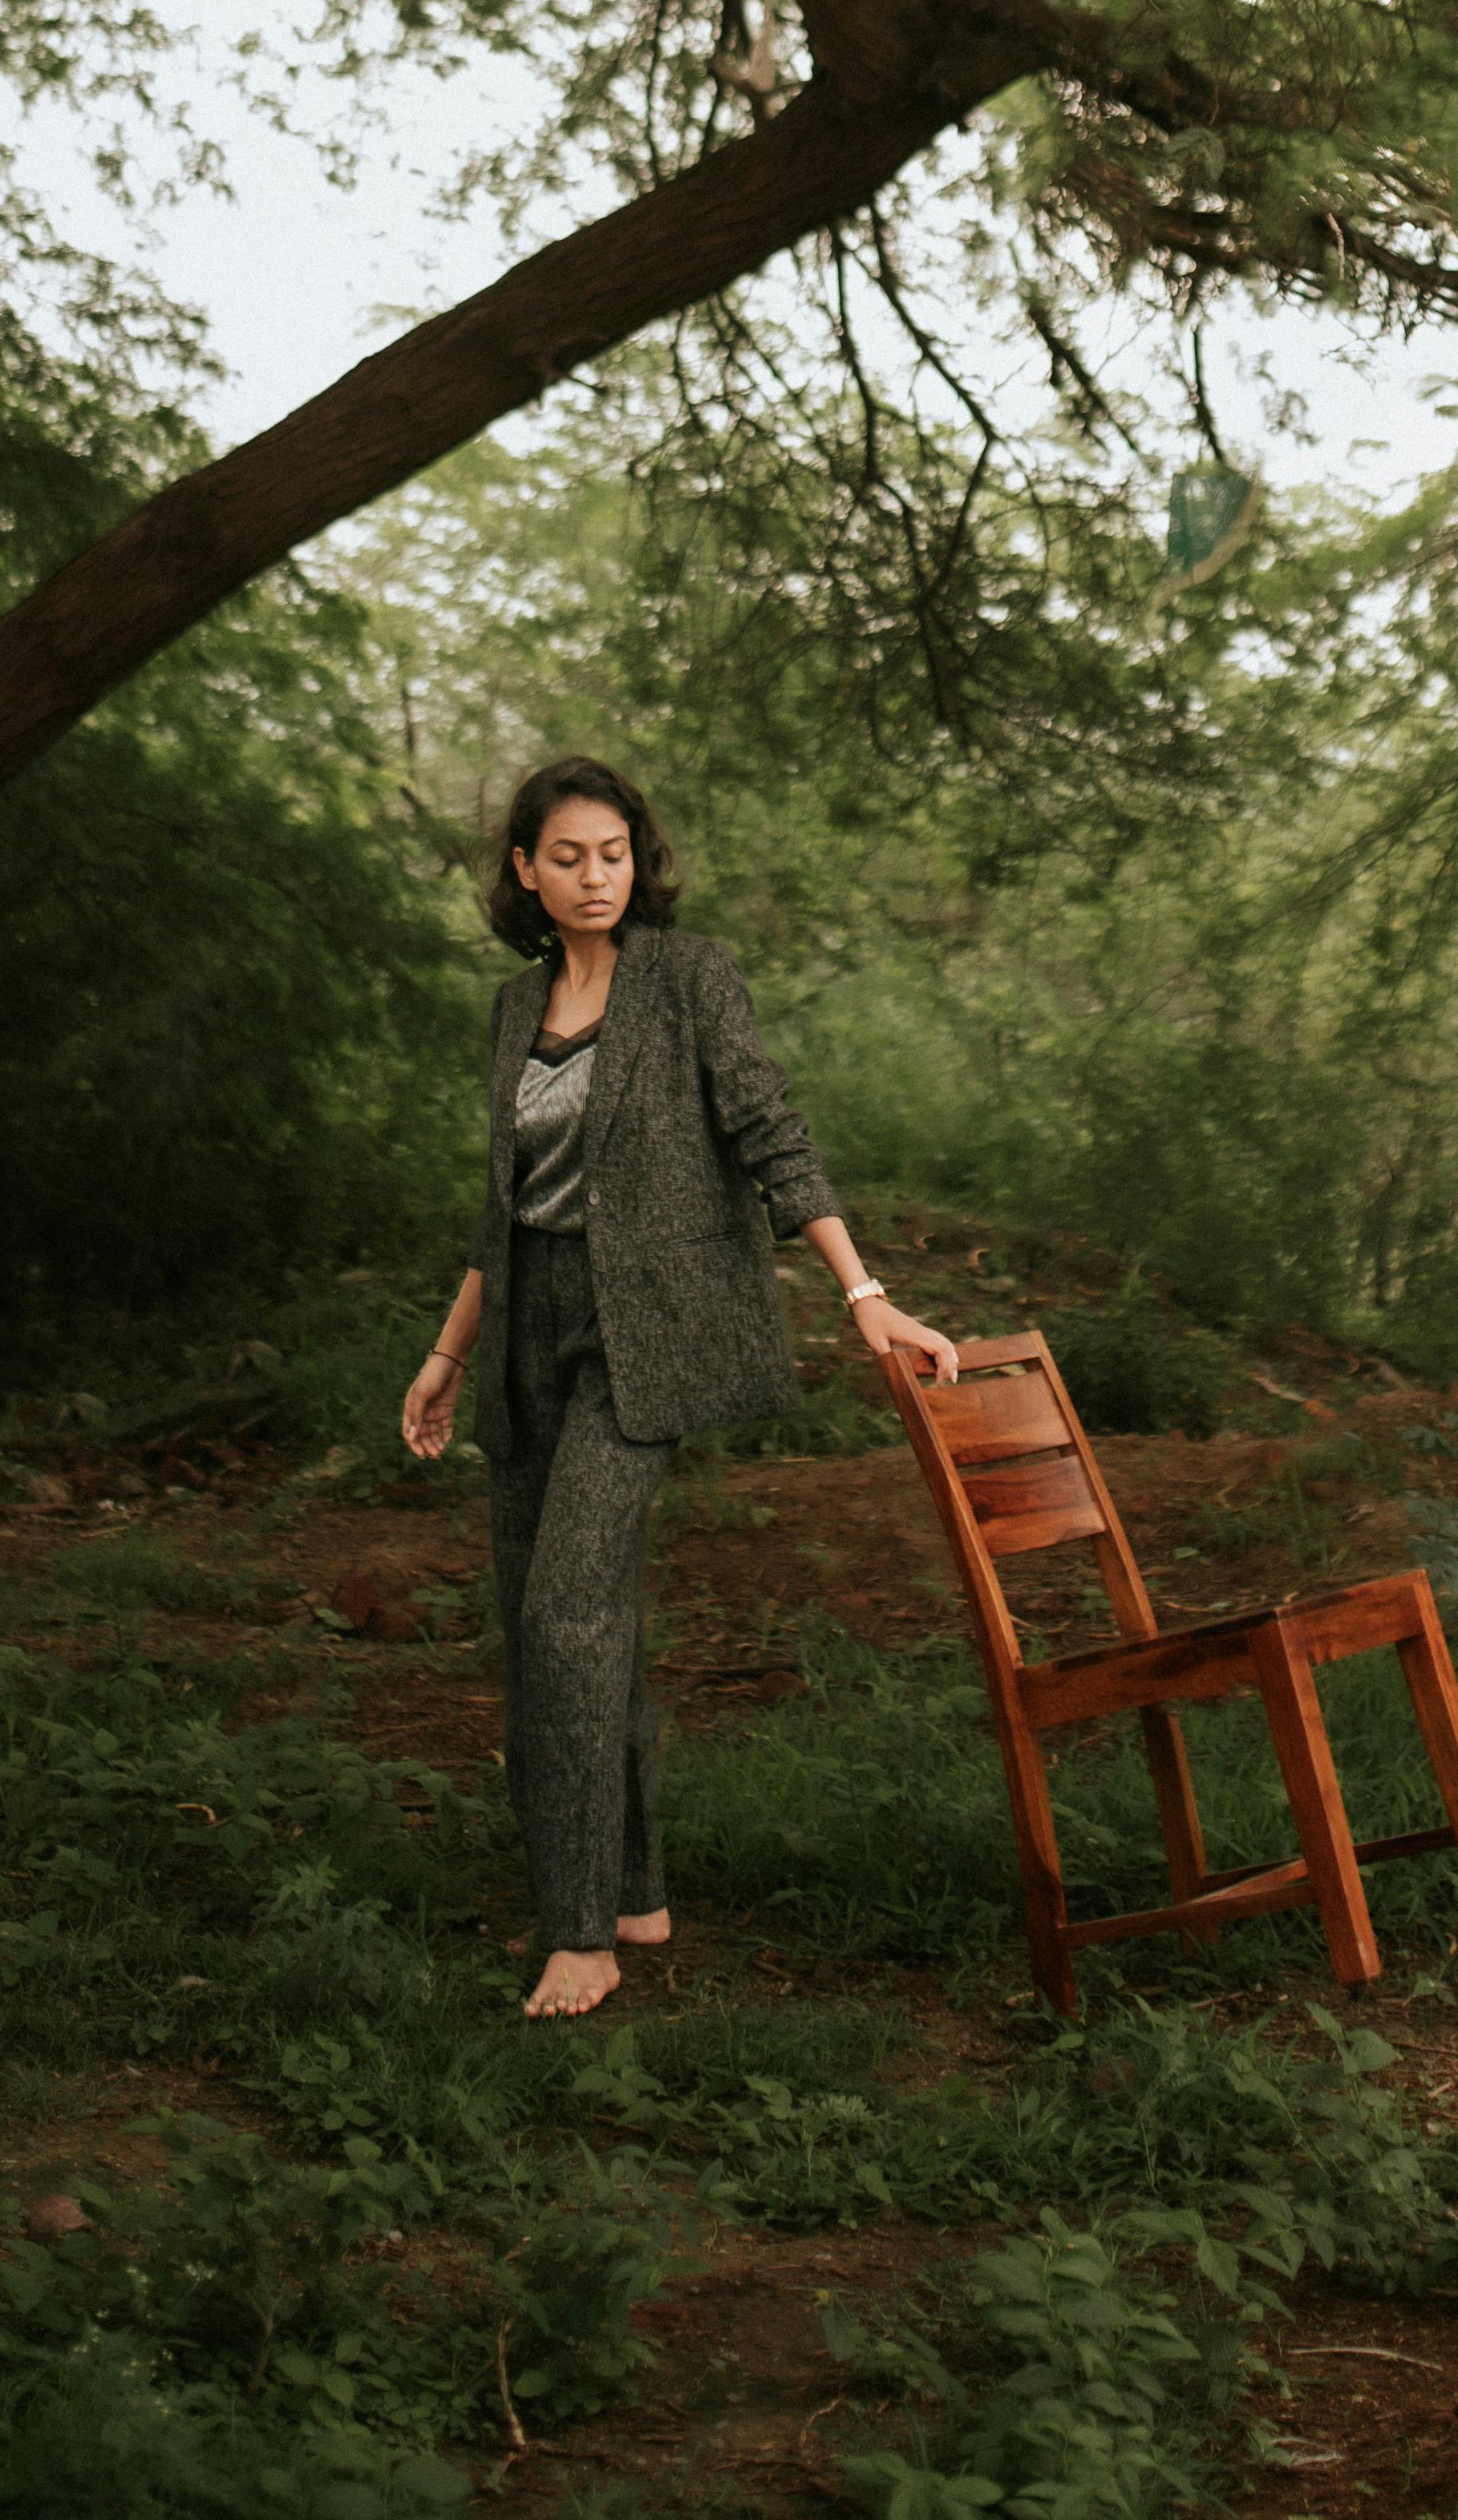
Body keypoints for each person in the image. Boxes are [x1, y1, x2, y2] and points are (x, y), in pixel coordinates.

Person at [401, 756, 958, 2018]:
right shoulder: (513, 1008)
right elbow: (502, 1213)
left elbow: (771, 1133)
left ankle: (579, 1931)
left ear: (634, 860)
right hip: (522, 1329)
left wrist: (861, 1295)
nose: (596, 877)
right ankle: (635, 1886)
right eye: (568, 857)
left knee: (566, 1617)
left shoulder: (688, 977)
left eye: (614, 853)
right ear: (523, 872)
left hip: (646, 1333)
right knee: (569, 1618)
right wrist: (444, 1357)